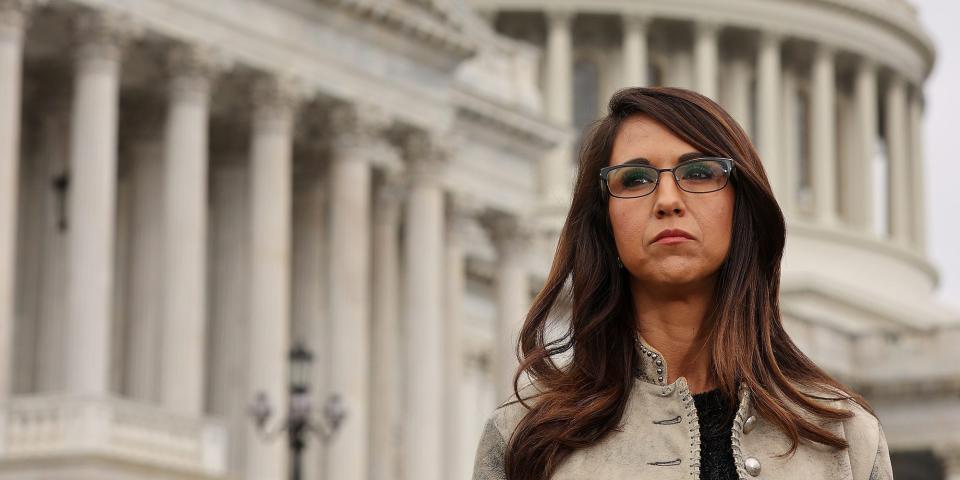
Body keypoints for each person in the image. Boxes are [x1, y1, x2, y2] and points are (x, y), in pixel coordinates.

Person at [471, 87, 893, 480]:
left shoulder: (844, 439)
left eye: (699, 172)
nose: (668, 200)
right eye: (634, 180)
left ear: (740, 206)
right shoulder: (525, 441)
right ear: (606, 221)